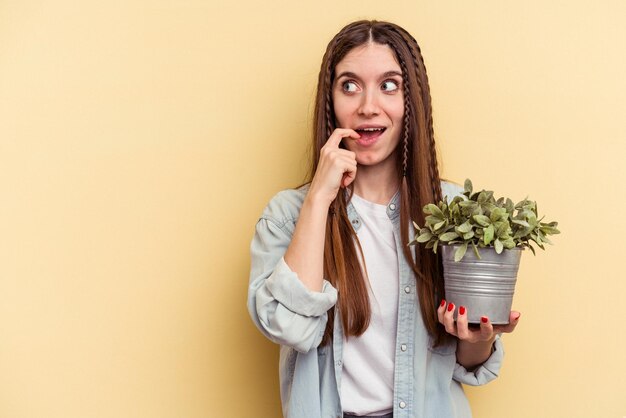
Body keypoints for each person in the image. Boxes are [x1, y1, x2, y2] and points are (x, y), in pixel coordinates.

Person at [247, 20, 520, 418]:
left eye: (388, 85)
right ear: (331, 100)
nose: (367, 106)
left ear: (411, 100)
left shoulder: (454, 212)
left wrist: (479, 337)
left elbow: (471, 362)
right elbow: (289, 329)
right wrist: (320, 198)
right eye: (350, 85)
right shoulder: (288, 215)